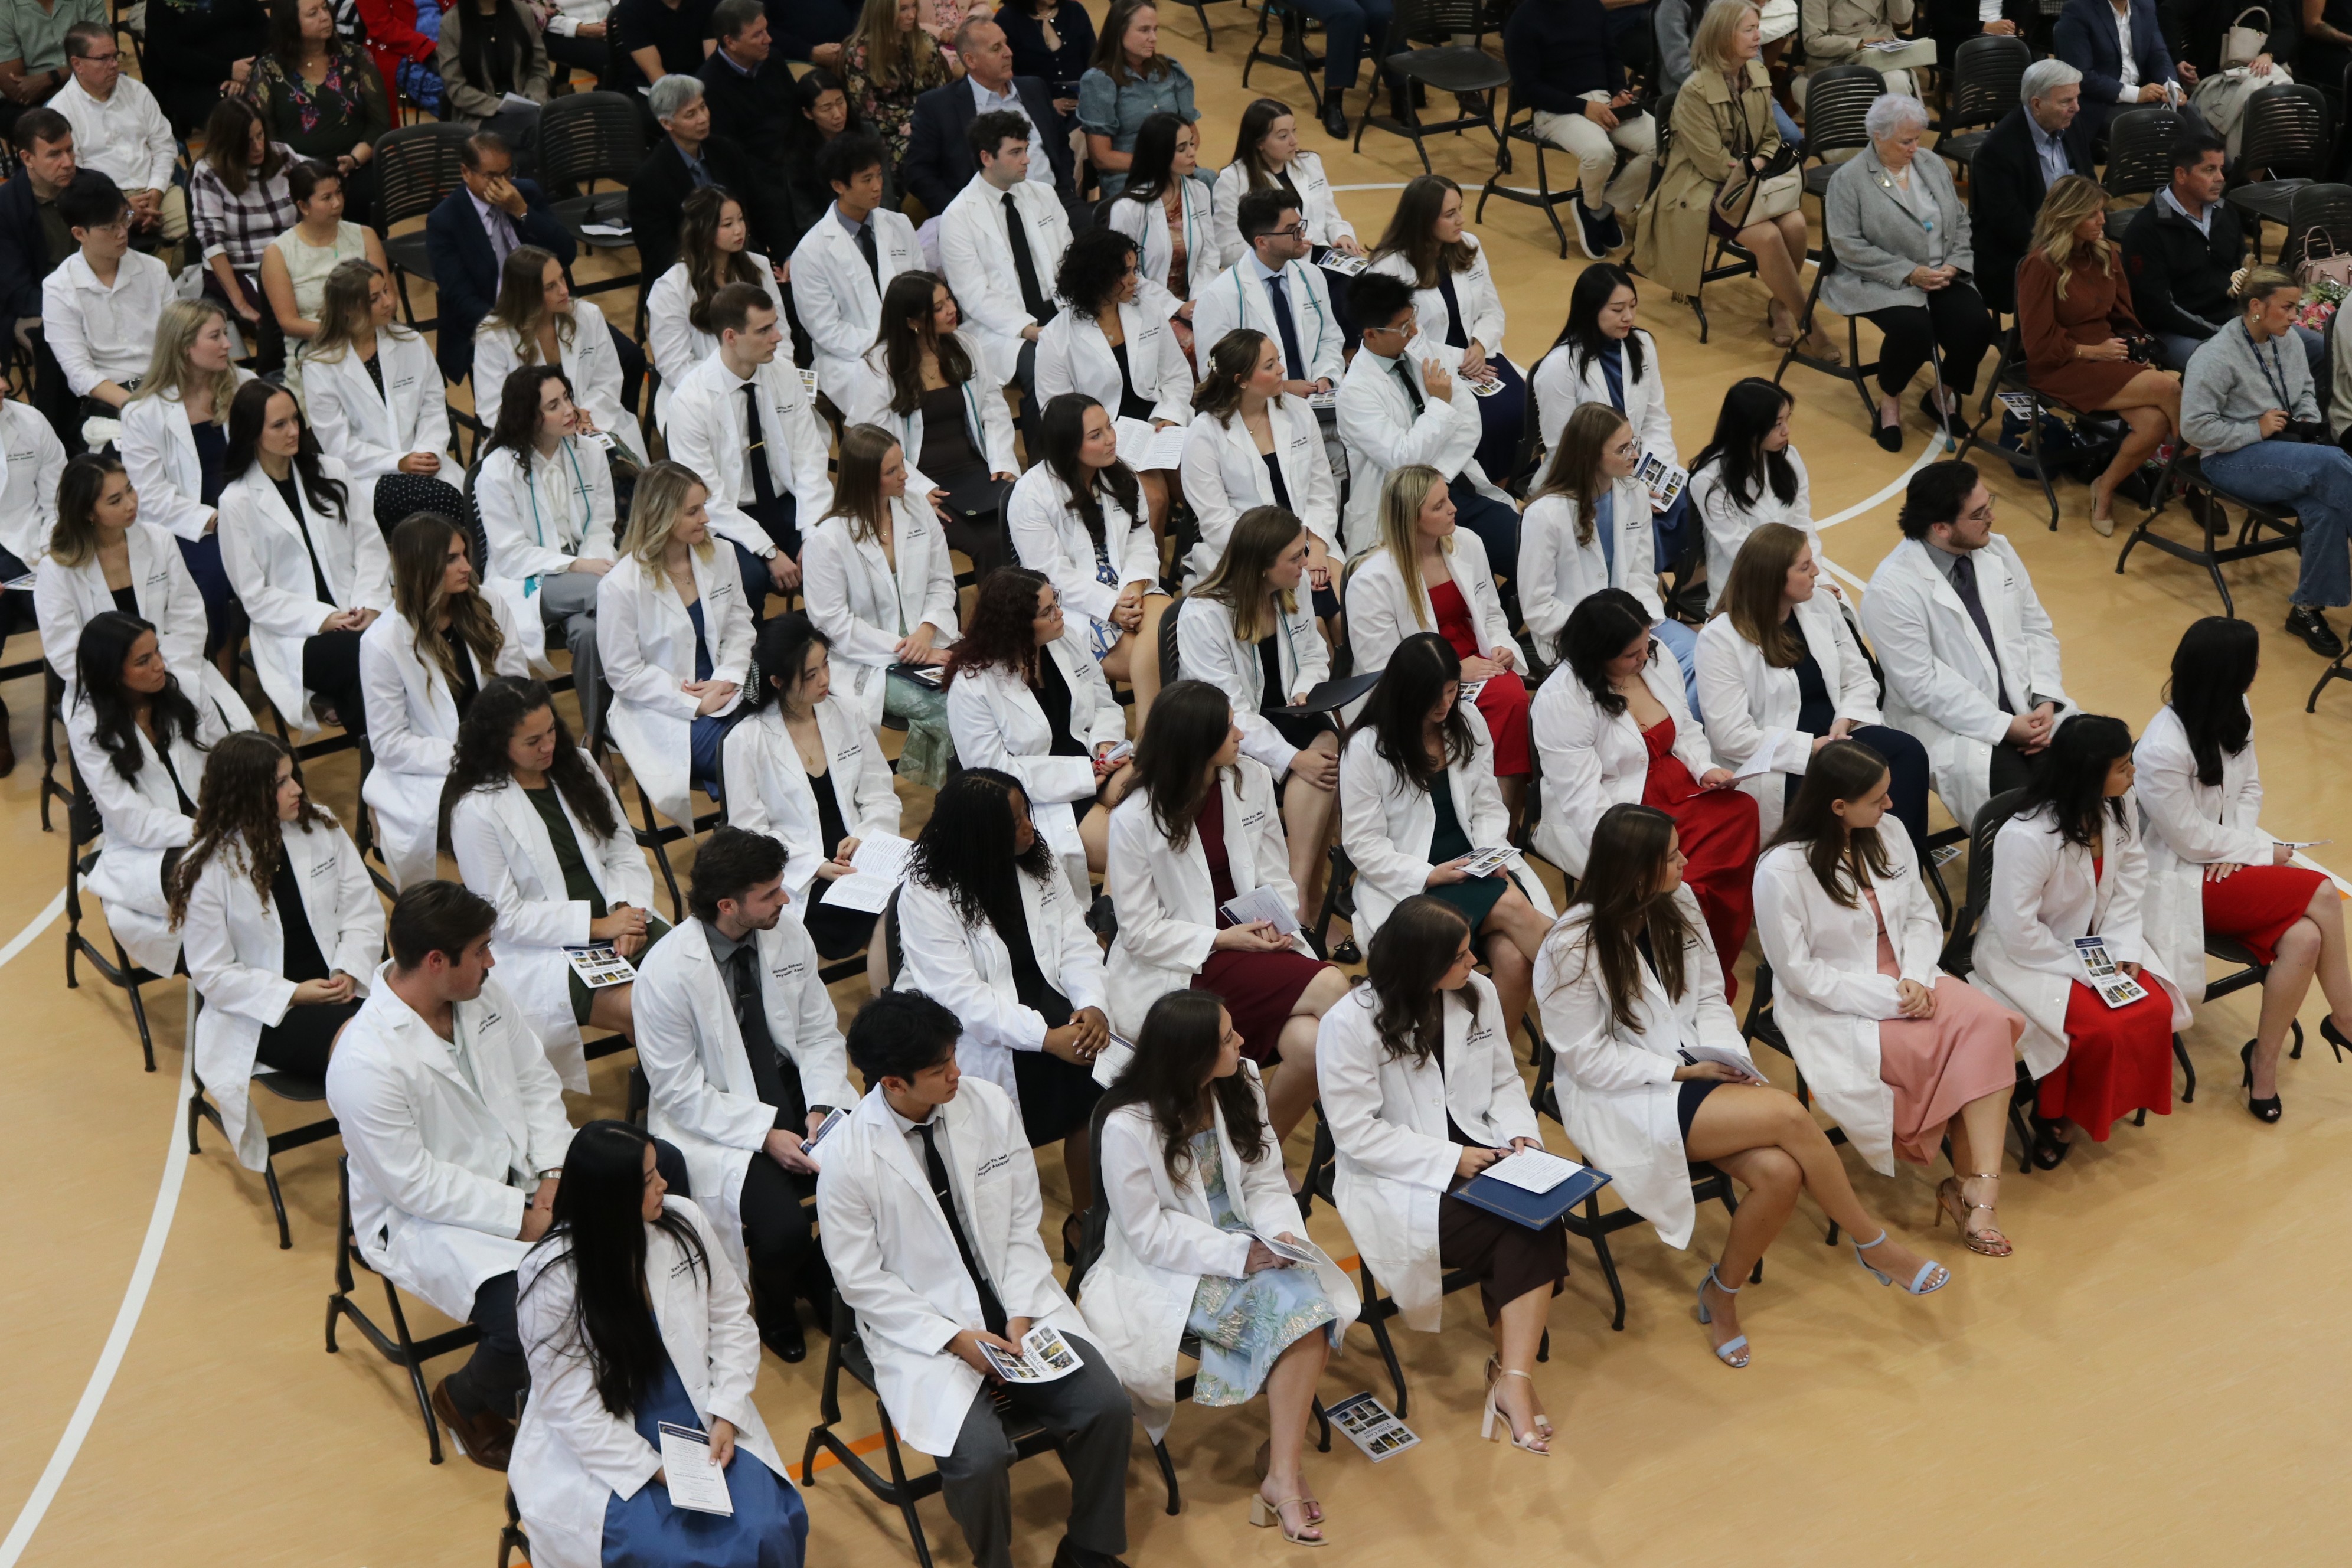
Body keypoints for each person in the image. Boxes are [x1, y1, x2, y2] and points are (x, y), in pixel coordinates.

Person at [1536, 803, 1951, 1369]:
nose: (1686, 861)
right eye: (1673, 856)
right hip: (1627, 1091)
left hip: (1699, 1066)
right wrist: (1679, 1071)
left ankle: (1721, 1294)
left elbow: (1709, 996)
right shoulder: (1570, 945)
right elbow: (1584, 1057)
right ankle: (1875, 1245)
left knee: (1780, 1173)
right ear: (1635, 872)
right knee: (1786, 1116)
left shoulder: (1675, 903)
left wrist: (1724, 1056)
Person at [816, 989, 1133, 1568]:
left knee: (1107, 1406)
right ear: (893, 1083)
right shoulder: (847, 1159)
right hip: (926, 1331)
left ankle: (1089, 1547)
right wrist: (955, 1338)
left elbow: (1019, 1223)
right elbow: (862, 1282)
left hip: (1016, 1305)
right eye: (940, 1070)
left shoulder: (986, 1104)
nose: (957, 1074)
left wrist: (1018, 1309)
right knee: (982, 1457)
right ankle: (994, 1561)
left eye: (954, 1058)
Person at [325, 879, 578, 1472]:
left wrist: (553, 1170)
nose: (493, 960)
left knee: (639, 1179)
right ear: (437, 962)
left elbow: (537, 1082)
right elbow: (412, 1182)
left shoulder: (482, 995)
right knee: (524, 1314)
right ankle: (465, 1399)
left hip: (523, 1177)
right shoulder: (365, 1061)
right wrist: (519, 1216)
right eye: (483, 949)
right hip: (421, 1217)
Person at [1085, 990, 1357, 1536]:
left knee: (1312, 1307)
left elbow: (1263, 1176)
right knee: (1304, 1315)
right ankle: (1282, 1473)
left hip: (1252, 1241)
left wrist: (1279, 1233)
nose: (1241, 1041)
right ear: (1191, 1058)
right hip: (1178, 1265)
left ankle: (1281, 1470)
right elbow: (1148, 1234)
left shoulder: (1241, 1081)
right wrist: (1240, 1254)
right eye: (1227, 1039)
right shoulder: (1126, 1125)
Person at [1756, 739, 2026, 1253]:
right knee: (1950, 1050)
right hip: (1842, 1000)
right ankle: (1972, 1196)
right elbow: (1799, 974)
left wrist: (1921, 979)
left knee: (1988, 1024)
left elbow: (1923, 916)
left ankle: (1977, 1184)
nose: (1891, 806)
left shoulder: (1890, 832)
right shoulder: (1780, 870)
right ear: (1838, 807)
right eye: (1878, 799)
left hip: (1914, 976)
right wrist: (1892, 997)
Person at [1318, 895, 1563, 1444]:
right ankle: (1511, 1380)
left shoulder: (1476, 994)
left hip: (1488, 1151)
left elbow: (1503, 1080)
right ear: (1422, 966)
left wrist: (1522, 1132)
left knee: (1541, 1217)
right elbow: (1357, 1135)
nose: (1474, 961)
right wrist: (1452, 1159)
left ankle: (1513, 1378)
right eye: (1459, 956)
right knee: (1522, 1229)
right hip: (1401, 1177)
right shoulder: (1348, 1026)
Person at [509, 1120, 809, 1568]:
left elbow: (732, 1320)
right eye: (650, 1180)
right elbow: (571, 1408)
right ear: (611, 1198)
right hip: (607, 1443)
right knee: (671, 1554)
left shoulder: (682, 1220)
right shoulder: (552, 1277)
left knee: (766, 1528)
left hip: (697, 1416)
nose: (664, 1185)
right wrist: (657, 1470)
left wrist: (727, 1412)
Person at [632, 828, 855, 1360]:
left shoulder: (786, 931)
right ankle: (776, 1309)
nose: (785, 899)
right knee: (780, 1232)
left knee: (866, 1184)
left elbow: (819, 1031)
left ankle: (819, 1278)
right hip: (720, 1117)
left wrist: (823, 1104)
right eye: (771, 893)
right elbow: (680, 1091)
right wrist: (765, 1136)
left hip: (797, 1091)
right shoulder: (665, 973)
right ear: (728, 905)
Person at [1105, 680, 1348, 1141]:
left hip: (1252, 942)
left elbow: (1275, 875)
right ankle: (1393, 1119)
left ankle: (1254, 1153)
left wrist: (1280, 923)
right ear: (1197, 743)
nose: (1241, 736)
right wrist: (1221, 939)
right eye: (1229, 729)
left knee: (1312, 1045)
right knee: (1334, 986)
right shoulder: (1135, 817)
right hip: (1184, 961)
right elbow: (1138, 932)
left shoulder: (1249, 779)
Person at [2137, 618, 2352, 1120]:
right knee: (2320, 889)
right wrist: (2254, 852)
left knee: (2305, 940)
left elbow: (2250, 790)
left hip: (2227, 863)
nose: (2258, 670)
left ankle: (2263, 1064)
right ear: (2223, 673)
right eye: (2250, 663)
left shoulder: (2238, 708)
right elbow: (2186, 839)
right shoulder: (2161, 749)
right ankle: (2346, 1017)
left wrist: (2238, 849)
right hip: (2181, 877)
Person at [896, 768, 1111, 1260]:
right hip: (980, 1035)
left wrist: (1092, 1003)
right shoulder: (927, 894)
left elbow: (1076, 942)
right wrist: (1047, 1038)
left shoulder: (1037, 861)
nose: (1028, 829)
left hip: (1052, 1001)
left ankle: (1087, 1224)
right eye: (1015, 822)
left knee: (1098, 1094)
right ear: (981, 838)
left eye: (1025, 814)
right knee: (1015, 1121)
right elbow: (963, 1000)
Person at [1968, 714, 2188, 1159]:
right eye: (2124, 767)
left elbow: (2131, 875)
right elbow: (2018, 931)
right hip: (2034, 954)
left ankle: (2095, 1106)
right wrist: (2087, 969)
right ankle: (2054, 1116)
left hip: (2101, 941)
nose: (2133, 774)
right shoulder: (2026, 836)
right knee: (2105, 1028)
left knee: (2156, 1007)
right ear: (2090, 774)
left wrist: (2124, 947)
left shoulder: (2119, 804)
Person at [173, 730, 383, 1167]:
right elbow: (213, 975)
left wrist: (348, 969)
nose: (297, 789)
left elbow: (362, 911)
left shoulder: (319, 824)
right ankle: (381, 1167)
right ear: (247, 795)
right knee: (374, 1053)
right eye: (281, 783)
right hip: (269, 1013)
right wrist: (295, 993)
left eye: (293, 776)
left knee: (422, 1027)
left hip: (345, 986)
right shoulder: (206, 869)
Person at [1534, 591, 1759, 986]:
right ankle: (1679, 964)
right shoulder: (1560, 701)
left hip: (1677, 785)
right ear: (1597, 657)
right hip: (1621, 813)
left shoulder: (1653, 656)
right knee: (1680, 877)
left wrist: (1705, 767)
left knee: (1740, 811)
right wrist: (1633, 853)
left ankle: (1709, 956)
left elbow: (1685, 727)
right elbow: (1584, 803)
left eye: (1646, 646)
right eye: (1630, 656)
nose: (1644, 659)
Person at [443, 676, 662, 1082]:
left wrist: (628, 910)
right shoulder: (476, 811)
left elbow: (622, 849)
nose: (548, 747)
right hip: (545, 950)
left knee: (706, 981)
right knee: (653, 1009)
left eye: (551, 733)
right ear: (497, 744)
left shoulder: (577, 765)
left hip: (620, 916)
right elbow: (502, 918)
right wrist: (598, 927)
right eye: (532, 742)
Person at [1341, 632, 1559, 1037]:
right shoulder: (1366, 748)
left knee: (1514, 960)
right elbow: (1362, 845)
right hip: (1415, 882)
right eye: (1434, 696)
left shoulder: (1468, 721)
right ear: (1406, 694)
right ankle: (1598, 1005)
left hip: (1474, 865)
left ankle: (1495, 1069)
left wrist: (1492, 856)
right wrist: (1430, 875)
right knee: (1515, 908)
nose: (1445, 705)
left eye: (1452, 691)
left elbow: (1489, 806)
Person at [1858, 459, 2072, 829]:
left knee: (2092, 781)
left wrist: (2046, 700)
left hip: (2030, 711)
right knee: (2030, 821)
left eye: (1990, 503)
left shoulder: (1997, 551)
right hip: (1953, 727)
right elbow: (1921, 685)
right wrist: (2005, 726)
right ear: (1941, 528)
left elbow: (2036, 629)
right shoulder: (1891, 590)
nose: (1991, 517)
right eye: (1978, 513)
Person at [1697, 522, 1931, 851]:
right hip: (1781, 760)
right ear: (1774, 578)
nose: (1817, 572)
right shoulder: (1720, 639)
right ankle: (1838, 874)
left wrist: (1845, 719)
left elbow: (1859, 676)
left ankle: (1902, 866)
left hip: (1841, 734)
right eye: (1805, 567)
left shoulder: (1820, 605)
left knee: (1907, 753)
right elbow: (1730, 735)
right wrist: (1811, 747)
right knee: (1831, 796)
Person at [1634, 1, 1832, 361]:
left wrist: (1758, 163)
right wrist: (1754, 168)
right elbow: (1712, 165)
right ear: (1724, 37)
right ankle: (1809, 322)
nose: (1759, 36)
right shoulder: (1694, 91)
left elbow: (1773, 138)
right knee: (1770, 236)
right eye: (1749, 30)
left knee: (1797, 224)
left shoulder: (1756, 76)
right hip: (1703, 190)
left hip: (1751, 181)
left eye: (1758, 27)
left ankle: (1781, 307)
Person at [1344, 463, 1531, 824]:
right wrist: (1457, 672)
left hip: (1478, 659)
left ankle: (1500, 822)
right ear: (1412, 519)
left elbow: (1491, 614)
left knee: (1512, 697)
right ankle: (1485, 822)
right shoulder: (1372, 580)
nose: (1453, 509)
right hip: (1422, 680)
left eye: (1448, 498)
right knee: (1509, 699)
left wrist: (1501, 645)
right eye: (1439, 505)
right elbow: (1380, 666)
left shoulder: (1468, 543)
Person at [1175, 505, 1340, 914]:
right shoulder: (1203, 614)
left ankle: (1302, 894)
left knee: (1326, 750)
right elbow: (1231, 711)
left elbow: (1315, 653)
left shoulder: (1294, 584)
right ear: (1262, 567)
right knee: (1315, 766)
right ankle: (1303, 899)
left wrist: (1304, 688)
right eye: (1296, 556)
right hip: (1223, 731)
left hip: (1287, 712)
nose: (1308, 563)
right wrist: (1291, 758)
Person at [2183, 266, 2352, 659]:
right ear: (2257, 307)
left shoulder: (2287, 342)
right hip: (2230, 458)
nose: (2296, 317)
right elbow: (2195, 429)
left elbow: (2306, 392)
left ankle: (2306, 609)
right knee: (2331, 463)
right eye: (2288, 307)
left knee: (2326, 511)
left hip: (2284, 451)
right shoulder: (2215, 356)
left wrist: (2307, 417)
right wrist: (2254, 430)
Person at [64, 610, 238, 974]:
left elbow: (231, 759)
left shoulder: (186, 687)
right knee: (218, 880)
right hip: (150, 849)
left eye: (157, 652)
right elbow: (131, 819)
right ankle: (233, 978)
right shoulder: (87, 727)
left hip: (219, 822)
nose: (160, 665)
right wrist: (206, 830)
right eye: (144, 661)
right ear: (112, 673)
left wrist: (234, 814)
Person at [361, 515, 531, 887]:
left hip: (504, 747)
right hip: (437, 768)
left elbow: (518, 687)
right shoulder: (382, 642)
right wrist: (468, 754)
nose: (467, 566)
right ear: (422, 568)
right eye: (453, 559)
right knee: (493, 815)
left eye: (465, 554)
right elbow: (389, 743)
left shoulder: (487, 605)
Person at [720, 615, 902, 958]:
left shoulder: (846, 712)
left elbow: (879, 792)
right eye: (811, 675)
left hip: (863, 855)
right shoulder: (747, 740)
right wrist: (815, 867)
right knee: (891, 917)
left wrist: (866, 835)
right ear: (777, 681)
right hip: (796, 872)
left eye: (826, 666)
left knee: (916, 898)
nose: (825, 680)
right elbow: (750, 834)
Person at [217, 380, 389, 736]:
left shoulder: (332, 472)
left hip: (361, 613)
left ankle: (377, 758)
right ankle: (389, 755)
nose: (294, 431)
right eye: (279, 425)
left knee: (382, 651)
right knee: (372, 656)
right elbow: (255, 596)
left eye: (295, 419)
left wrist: (370, 605)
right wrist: (325, 618)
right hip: (297, 635)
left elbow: (371, 546)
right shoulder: (236, 502)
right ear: (251, 432)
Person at [1822, 94, 1991, 452]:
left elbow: (1960, 220)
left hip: (1941, 273)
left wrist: (1955, 264)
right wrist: (1909, 273)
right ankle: (1890, 400)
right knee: (1914, 329)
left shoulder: (1931, 164)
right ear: (1878, 136)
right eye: (1906, 141)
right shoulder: (1849, 179)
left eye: (1918, 139)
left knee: (1977, 327)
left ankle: (1939, 393)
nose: (1916, 148)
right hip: (1884, 280)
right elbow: (1847, 246)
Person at [2018, 173, 2183, 535]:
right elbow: (2037, 345)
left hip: (2108, 357)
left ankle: (2104, 487)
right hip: (2062, 364)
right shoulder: (2041, 266)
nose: (2102, 221)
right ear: (2068, 217)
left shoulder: (2106, 254)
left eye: (2102, 213)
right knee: (2170, 390)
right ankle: (2192, 465)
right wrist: (2094, 350)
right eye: (2093, 215)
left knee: (2154, 423)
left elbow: (2123, 316)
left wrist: (2134, 344)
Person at [945, 567, 1126, 896]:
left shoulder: (1065, 639)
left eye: (1055, 602)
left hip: (1097, 764)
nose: (1059, 614)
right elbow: (994, 775)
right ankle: (1112, 923)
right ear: (1017, 627)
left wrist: (1105, 744)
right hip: (1043, 798)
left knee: (1167, 802)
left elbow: (1104, 703)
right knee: (1135, 844)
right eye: (1048, 612)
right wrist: (1081, 775)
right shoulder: (973, 687)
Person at [598, 460, 755, 827]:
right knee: (743, 753)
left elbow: (740, 626)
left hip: (728, 684)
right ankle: (747, 846)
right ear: (662, 516)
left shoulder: (723, 555)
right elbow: (625, 674)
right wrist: (693, 703)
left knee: (789, 730)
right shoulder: (621, 586)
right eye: (693, 511)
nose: (706, 519)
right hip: (661, 706)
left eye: (704, 507)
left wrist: (729, 677)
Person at [39, 454, 247, 728]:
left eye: (130, 489)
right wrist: (132, 679)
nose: (131, 504)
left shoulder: (158, 539)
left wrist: (163, 672)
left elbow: (189, 617)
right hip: (107, 689)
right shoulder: (56, 570)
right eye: (115, 501)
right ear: (87, 513)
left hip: (175, 669)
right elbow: (66, 652)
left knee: (234, 738)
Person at [661, 283, 835, 609]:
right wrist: (768, 551)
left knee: (833, 557)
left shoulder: (783, 373)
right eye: (765, 330)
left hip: (786, 504)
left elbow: (810, 458)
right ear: (731, 337)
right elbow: (706, 498)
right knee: (747, 581)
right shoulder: (690, 401)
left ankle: (834, 651)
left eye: (776, 325)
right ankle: (751, 658)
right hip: (727, 516)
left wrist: (812, 533)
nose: (779, 337)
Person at [801, 425, 959, 781]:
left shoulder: (916, 507)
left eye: (902, 464)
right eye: (892, 471)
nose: (906, 475)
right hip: (867, 658)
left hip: (930, 637)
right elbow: (833, 626)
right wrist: (905, 648)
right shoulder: (826, 541)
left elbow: (941, 582)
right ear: (864, 481)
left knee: (990, 687)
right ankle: (960, 806)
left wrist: (925, 632)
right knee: (951, 709)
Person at [1337, 273, 1519, 581]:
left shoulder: (1422, 350)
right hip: (1403, 516)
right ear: (1371, 335)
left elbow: (1468, 422)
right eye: (1404, 326)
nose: (1415, 330)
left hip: (1458, 491)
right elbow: (1403, 460)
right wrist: (1439, 405)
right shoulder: (1355, 393)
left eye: (1413, 318)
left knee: (1535, 552)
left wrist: (1439, 475)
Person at [1517, 401, 1699, 698]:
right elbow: (1538, 607)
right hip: (1577, 635)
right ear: (1589, 456)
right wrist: (1609, 631)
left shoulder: (1635, 493)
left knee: (1695, 659)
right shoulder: (1544, 515)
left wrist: (1640, 627)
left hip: (1635, 624)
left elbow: (1641, 574)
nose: (1635, 455)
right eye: (1623, 449)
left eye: (1633, 444)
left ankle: (1677, 740)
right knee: (1637, 691)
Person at [842, 270, 1017, 576]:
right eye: (938, 307)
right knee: (988, 541)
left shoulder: (965, 345)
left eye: (949, 299)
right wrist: (918, 489)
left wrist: (1002, 461)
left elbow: (993, 406)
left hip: (976, 470)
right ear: (912, 321)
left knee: (1022, 521)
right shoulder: (878, 366)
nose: (952, 309)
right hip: (915, 479)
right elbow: (877, 445)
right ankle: (994, 620)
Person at [1530, 264, 1696, 577]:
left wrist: (1656, 477)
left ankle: (1685, 608)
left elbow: (1655, 419)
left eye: (1633, 307)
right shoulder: (1558, 368)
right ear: (1591, 310)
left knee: (1692, 505)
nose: (1629, 318)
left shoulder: (1643, 345)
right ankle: (1643, 599)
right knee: (1634, 536)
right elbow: (1564, 449)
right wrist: (1630, 492)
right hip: (1585, 484)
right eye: (1618, 309)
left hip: (1635, 467)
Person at [473, 366, 618, 726]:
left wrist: (592, 559)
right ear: (529, 416)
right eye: (554, 405)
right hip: (528, 579)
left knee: (589, 633)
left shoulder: (591, 453)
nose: (570, 410)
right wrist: (578, 568)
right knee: (618, 590)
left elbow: (602, 524)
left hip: (587, 573)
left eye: (567, 398)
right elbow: (510, 553)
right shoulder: (496, 470)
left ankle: (598, 737)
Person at [117, 300, 252, 679]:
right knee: (211, 579)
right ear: (183, 348)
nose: (229, 344)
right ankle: (218, 682)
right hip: (189, 527)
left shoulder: (245, 387)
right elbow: (150, 496)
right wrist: (214, 520)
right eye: (216, 336)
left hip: (252, 511)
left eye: (226, 333)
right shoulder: (142, 413)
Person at [1007, 393, 1169, 706]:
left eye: (1109, 428)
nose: (1111, 440)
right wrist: (1111, 605)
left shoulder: (1120, 473)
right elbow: (1050, 576)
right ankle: (1157, 743)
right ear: (1069, 446)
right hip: (1077, 606)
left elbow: (1141, 539)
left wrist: (1134, 587)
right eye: (1097, 436)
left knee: (1177, 633)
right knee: (1165, 660)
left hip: (1130, 588)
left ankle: (1153, 740)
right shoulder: (1031, 495)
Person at [1364, 177, 1525, 486]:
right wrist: (1460, 361)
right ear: (1423, 220)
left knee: (1524, 408)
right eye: (1450, 214)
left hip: (1480, 357)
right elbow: (1401, 338)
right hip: (1430, 369)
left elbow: (1492, 311)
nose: (1461, 220)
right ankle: (1483, 493)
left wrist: (1478, 347)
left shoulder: (1470, 246)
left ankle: (1510, 487)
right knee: (1488, 422)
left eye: (1460, 210)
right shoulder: (1388, 269)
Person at [2122, 128, 2320, 378]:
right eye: (2209, 170)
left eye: (2221, 168)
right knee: (2242, 369)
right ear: (2181, 175)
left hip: (2235, 318)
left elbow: (2245, 267)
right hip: (2177, 332)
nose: (2221, 178)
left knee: (2317, 348)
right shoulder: (2145, 231)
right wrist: (2227, 332)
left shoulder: (2224, 212)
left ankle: (2307, 416)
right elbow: (2158, 309)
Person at [1037, 231, 1191, 541]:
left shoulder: (1147, 311)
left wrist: (1169, 416)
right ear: (1099, 277)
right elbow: (1056, 413)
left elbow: (1176, 375)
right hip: (1106, 439)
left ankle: (1206, 564)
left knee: (1201, 485)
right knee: (1154, 501)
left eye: (1136, 269)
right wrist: (1104, 438)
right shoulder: (1057, 338)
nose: (1137, 279)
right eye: (1127, 272)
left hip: (1160, 426)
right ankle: (1151, 583)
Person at [940, 107, 1074, 447]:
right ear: (987, 157)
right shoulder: (958, 216)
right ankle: (1043, 472)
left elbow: (1070, 261)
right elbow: (973, 295)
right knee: (1042, 369)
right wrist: (1027, 329)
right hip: (1002, 327)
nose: (1027, 160)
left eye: (1026, 149)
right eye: (1015, 152)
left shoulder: (1042, 195)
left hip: (1059, 310)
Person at [304, 259, 462, 532]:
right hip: (369, 476)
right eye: (375, 299)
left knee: (475, 496)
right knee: (439, 505)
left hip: (426, 462)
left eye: (387, 291)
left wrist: (426, 453)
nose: (389, 302)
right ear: (349, 309)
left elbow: (433, 407)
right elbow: (338, 446)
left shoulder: (410, 342)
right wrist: (398, 462)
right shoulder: (320, 366)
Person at [1177, 329, 1339, 590]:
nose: (1282, 370)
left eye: (1278, 360)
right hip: (1249, 557)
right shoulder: (1204, 433)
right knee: (1314, 620)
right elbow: (1217, 523)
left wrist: (1317, 549)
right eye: (1270, 365)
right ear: (1242, 380)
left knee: (1343, 606)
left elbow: (1321, 492)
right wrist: (1286, 559)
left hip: (1312, 541)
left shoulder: (1298, 411)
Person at [423, 133, 577, 387]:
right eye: (492, 177)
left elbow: (567, 252)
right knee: (538, 390)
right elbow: (460, 297)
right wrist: (510, 328)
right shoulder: (445, 221)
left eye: (507, 173)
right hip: (496, 322)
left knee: (629, 359)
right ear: (466, 173)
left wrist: (522, 212)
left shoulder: (525, 193)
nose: (503, 184)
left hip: (550, 310)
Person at [472, 244, 648, 468]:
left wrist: (582, 417)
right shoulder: (494, 336)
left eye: (562, 279)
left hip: (594, 423)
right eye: (551, 287)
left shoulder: (587, 315)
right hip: (530, 441)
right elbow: (493, 408)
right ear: (527, 295)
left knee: (624, 477)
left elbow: (608, 380)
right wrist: (554, 424)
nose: (564, 291)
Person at [1504, 0, 1652, 259]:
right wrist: (1583, 107)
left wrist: (1619, 90)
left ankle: (1600, 210)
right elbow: (1529, 89)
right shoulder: (1522, 20)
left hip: (1604, 100)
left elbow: (1611, 55)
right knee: (1599, 152)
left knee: (1662, 144)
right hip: (1557, 111)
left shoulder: (1590, 6)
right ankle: (1591, 204)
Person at [789, 132, 922, 410]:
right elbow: (826, 329)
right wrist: (890, 345)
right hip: (849, 358)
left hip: (913, 339)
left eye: (879, 175)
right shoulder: (811, 251)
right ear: (839, 185)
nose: (878, 186)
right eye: (866, 179)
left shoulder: (900, 226)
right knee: (883, 385)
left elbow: (922, 291)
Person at [906, 16, 1082, 219]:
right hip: (988, 214)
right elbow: (918, 173)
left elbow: (1061, 146)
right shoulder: (938, 106)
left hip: (1053, 201)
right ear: (971, 60)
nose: (1009, 53)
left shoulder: (1034, 88)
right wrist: (960, 214)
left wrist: (1066, 188)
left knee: (1101, 238)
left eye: (1006, 43)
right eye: (996, 48)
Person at [643, 187, 789, 429]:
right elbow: (675, 366)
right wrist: (737, 380)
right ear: (703, 231)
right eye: (728, 224)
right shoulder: (671, 288)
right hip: (702, 398)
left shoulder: (759, 267)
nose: (739, 230)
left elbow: (781, 335)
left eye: (741, 219)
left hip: (764, 384)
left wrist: (771, 379)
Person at [1193, 190, 1345, 411]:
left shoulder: (1312, 276)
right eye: (1291, 230)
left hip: (1317, 403)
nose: (1301, 235)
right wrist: (1280, 387)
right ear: (1262, 242)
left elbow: (1329, 338)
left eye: (1300, 225)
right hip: (1256, 411)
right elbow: (1214, 372)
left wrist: (1326, 376)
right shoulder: (1217, 297)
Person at [627, 74, 784, 285]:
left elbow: (762, 207)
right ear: (666, 123)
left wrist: (788, 254)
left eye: (703, 107)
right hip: (694, 279)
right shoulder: (649, 181)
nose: (702, 118)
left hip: (744, 263)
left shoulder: (727, 152)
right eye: (690, 114)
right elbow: (661, 253)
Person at [243, 0, 394, 215]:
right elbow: (264, 135)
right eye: (313, 13)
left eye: (325, 8)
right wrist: (296, 171)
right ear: (291, 23)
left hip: (355, 167)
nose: (325, 17)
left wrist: (354, 160)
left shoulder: (356, 57)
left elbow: (380, 124)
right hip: (294, 173)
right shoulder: (267, 71)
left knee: (363, 195)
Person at [43, 172, 174, 414]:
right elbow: (79, 372)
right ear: (79, 234)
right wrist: (135, 406)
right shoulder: (59, 289)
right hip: (111, 399)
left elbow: (178, 341)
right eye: (110, 228)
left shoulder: (154, 270)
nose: (122, 233)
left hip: (166, 386)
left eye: (125, 219)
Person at [1971, 60, 2092, 316]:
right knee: (2079, 292)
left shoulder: (2071, 124)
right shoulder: (1997, 150)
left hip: (2069, 242)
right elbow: (2011, 225)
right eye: (2066, 101)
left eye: (2077, 99)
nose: (2076, 108)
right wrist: (2063, 251)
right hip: (2019, 254)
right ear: (2037, 104)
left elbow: (2089, 187)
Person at [258, 160, 387, 395]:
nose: (337, 203)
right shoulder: (278, 253)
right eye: (327, 198)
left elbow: (389, 299)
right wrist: (346, 331)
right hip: (315, 351)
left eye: (339, 193)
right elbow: (289, 322)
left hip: (371, 342)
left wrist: (363, 332)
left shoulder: (365, 236)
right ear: (304, 206)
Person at [51, 22, 185, 247]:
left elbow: (165, 148)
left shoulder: (137, 91)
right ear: (77, 64)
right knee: (109, 249)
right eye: (104, 59)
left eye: (116, 56)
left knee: (201, 228)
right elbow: (76, 177)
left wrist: (155, 194)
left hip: (156, 191)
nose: (114, 65)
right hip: (103, 203)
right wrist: (123, 205)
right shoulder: (61, 111)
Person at [189, 97, 300, 366]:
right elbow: (212, 243)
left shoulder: (283, 155)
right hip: (240, 268)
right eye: (248, 141)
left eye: (260, 135)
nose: (259, 146)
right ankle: (279, 373)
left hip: (290, 258)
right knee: (285, 312)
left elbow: (315, 185)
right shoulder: (208, 172)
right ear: (229, 143)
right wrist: (239, 302)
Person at [1689, 375, 1821, 594]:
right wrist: (1797, 581)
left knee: (1841, 614)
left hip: (1799, 576)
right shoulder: (1710, 482)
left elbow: (1803, 524)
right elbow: (1741, 549)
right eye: (1777, 424)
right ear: (1749, 427)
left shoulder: (1789, 458)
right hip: (1747, 589)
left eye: (1788, 419)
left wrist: (1819, 576)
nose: (1787, 431)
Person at [1208, 98, 1364, 277]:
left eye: (1294, 131)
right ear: (1259, 143)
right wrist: (1281, 249)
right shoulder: (1233, 180)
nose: (1294, 141)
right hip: (1275, 271)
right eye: (1283, 136)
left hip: (1321, 258)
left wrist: (1342, 235)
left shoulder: (1309, 162)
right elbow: (1227, 250)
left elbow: (1329, 214)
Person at [699, 0, 832, 207]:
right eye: (757, 35)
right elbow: (730, 156)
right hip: (762, 181)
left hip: (799, 158)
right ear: (730, 42)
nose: (768, 39)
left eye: (766, 30)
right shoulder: (710, 86)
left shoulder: (773, 60)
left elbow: (797, 111)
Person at [1106, 113, 1214, 349]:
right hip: (1147, 305)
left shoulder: (1199, 192)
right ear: (1160, 154)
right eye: (1182, 148)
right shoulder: (1128, 209)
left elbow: (1208, 256)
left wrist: (1198, 301)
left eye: (1192, 144)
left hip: (1198, 301)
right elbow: (1124, 275)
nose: (1192, 153)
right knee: (1198, 349)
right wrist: (1177, 308)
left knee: (1242, 343)